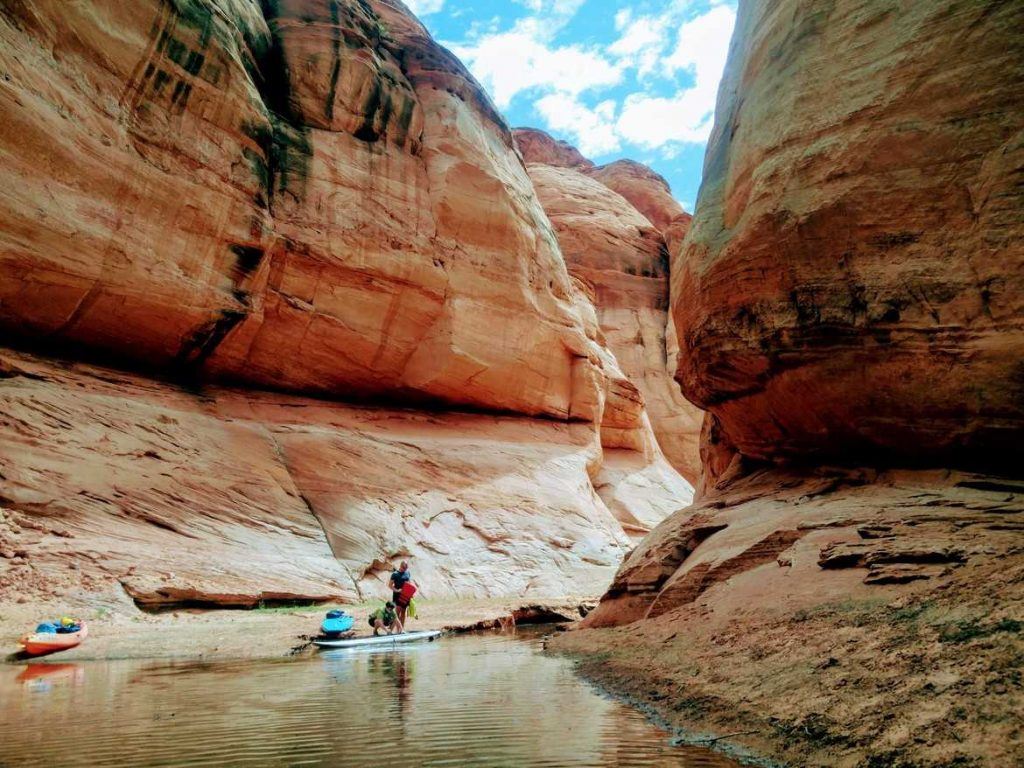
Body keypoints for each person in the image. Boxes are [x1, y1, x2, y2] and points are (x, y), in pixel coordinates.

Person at [389, 560, 413, 629]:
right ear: (400, 566)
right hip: (398, 596)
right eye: (403, 567)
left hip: (405, 595)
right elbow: (390, 585)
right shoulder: (395, 574)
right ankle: (390, 630)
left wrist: (411, 594)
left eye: (406, 568)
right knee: (396, 614)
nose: (404, 569)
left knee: (403, 613)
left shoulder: (407, 573)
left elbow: (409, 583)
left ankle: (401, 629)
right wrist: (397, 590)